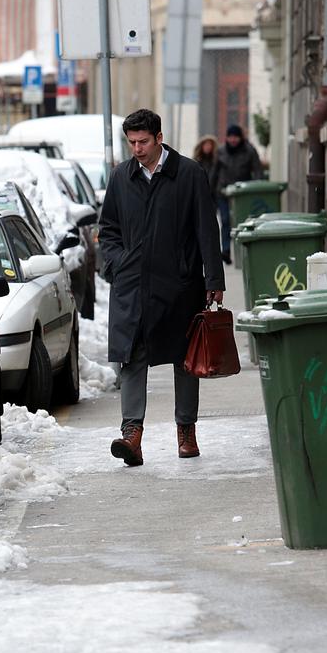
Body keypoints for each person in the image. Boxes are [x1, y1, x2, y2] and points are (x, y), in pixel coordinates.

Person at [98, 109, 224, 467]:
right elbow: (108, 228)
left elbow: (206, 230)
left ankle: (186, 430)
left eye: (143, 142)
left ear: (159, 138)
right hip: (133, 284)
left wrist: (213, 280)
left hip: (178, 284)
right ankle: (131, 435)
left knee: (185, 358)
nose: (137, 149)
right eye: (131, 142)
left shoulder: (188, 174)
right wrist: (117, 262)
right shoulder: (121, 177)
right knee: (132, 355)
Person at [214, 124, 264, 263]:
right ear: (227, 138)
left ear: (240, 137)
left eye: (236, 137)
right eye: (230, 137)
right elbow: (215, 172)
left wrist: (257, 188)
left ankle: (243, 252)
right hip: (223, 192)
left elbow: (257, 170)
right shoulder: (221, 151)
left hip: (243, 193)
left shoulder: (249, 151)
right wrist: (209, 191)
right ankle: (226, 251)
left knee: (243, 222)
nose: (233, 140)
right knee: (225, 221)